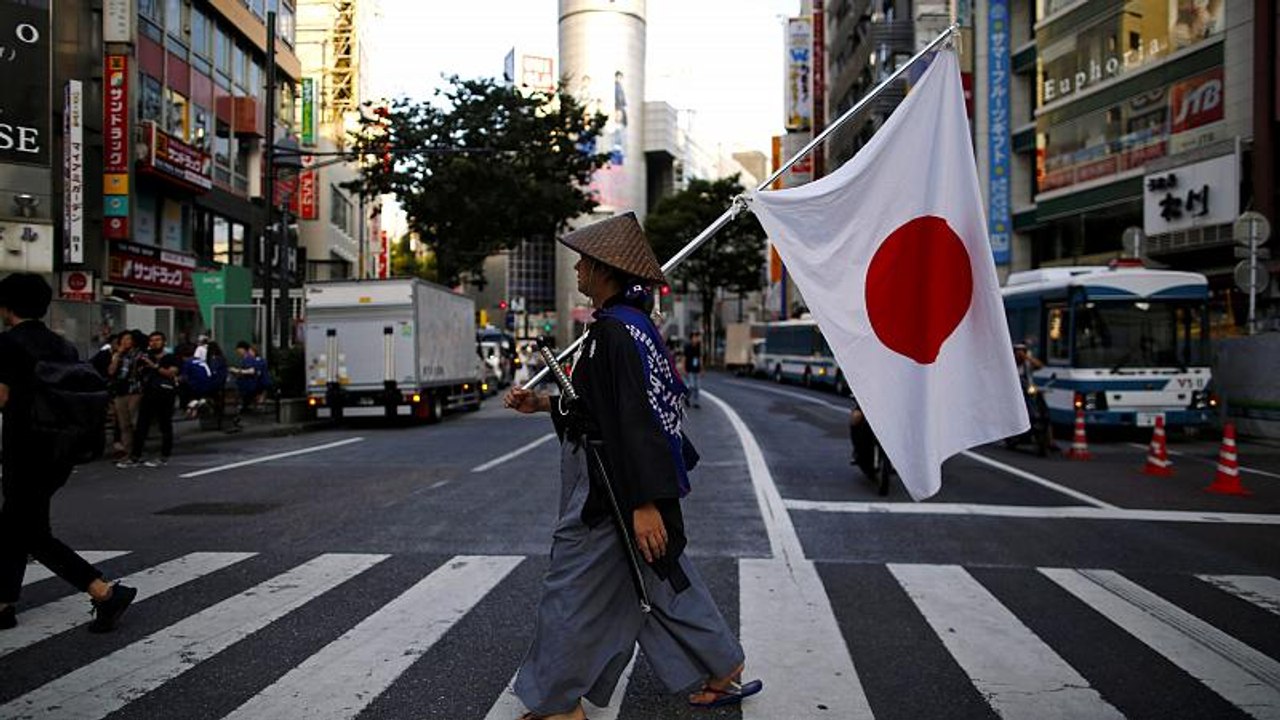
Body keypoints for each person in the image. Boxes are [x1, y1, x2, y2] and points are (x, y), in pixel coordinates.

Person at [503, 213, 761, 720]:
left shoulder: (616, 334)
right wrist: (543, 406)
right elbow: (602, 411)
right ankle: (722, 666)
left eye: (583, 262)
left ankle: (556, 703)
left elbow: (633, 423)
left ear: (603, 270)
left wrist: (643, 504)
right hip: (625, 479)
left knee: (570, 587)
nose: (576, 269)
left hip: (612, 488)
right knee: (660, 577)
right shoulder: (632, 327)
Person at [0, 273, 137, 633]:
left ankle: (104, 591)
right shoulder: (63, 347)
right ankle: (3, 603)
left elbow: (2, 397)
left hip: (22, 449)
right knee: (19, 524)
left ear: (6, 307)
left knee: (28, 531)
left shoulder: (7, 345)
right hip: (59, 451)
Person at [118, 331, 179, 468]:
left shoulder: (171, 357)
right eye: (152, 340)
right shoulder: (145, 356)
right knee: (141, 425)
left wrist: (154, 366)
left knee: (165, 425)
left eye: (158, 340)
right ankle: (135, 456)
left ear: (164, 342)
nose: (154, 343)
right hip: (148, 393)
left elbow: (171, 373)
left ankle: (164, 455)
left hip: (165, 394)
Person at [106, 330, 143, 460]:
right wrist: (117, 355)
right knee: (123, 423)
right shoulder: (118, 355)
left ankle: (136, 450)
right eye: (124, 339)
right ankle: (127, 451)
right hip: (120, 391)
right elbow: (111, 371)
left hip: (134, 390)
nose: (126, 342)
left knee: (133, 421)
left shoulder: (138, 354)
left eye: (129, 339)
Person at [231, 341, 269, 413]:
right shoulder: (252, 360)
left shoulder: (251, 360)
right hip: (255, 383)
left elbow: (252, 371)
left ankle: (247, 404)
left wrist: (238, 371)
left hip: (251, 384)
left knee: (244, 389)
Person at [683, 330, 703, 409]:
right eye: (694, 337)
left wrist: (702, 369)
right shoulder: (687, 347)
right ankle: (686, 397)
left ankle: (696, 402)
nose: (696, 338)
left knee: (697, 387)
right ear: (691, 338)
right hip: (690, 369)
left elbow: (700, 358)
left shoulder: (699, 347)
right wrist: (684, 369)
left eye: (697, 337)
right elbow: (684, 358)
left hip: (697, 369)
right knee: (692, 386)